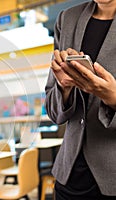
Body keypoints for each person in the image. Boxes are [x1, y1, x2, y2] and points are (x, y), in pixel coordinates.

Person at [45, 1, 116, 199]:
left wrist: (113, 97)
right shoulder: (67, 19)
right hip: (70, 177)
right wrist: (64, 87)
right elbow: (53, 111)